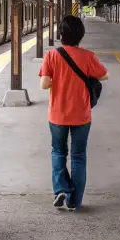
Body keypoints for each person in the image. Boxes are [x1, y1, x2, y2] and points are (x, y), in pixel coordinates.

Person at [39, 15, 108, 211]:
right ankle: (74, 201)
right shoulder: (88, 56)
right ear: (81, 36)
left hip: (57, 114)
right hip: (82, 115)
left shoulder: (52, 55)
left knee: (58, 152)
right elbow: (104, 75)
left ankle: (61, 188)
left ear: (60, 34)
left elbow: (44, 84)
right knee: (78, 156)